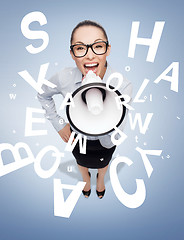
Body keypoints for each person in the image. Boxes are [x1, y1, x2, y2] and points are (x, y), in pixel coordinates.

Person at [37, 20, 132, 199]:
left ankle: (101, 179)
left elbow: (117, 134)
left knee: (104, 162)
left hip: (106, 142)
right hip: (76, 137)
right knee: (80, 160)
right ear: (72, 54)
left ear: (108, 49)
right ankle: (86, 180)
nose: (90, 56)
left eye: (97, 46)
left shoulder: (124, 86)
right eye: (80, 48)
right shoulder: (63, 77)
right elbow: (42, 94)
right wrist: (59, 124)